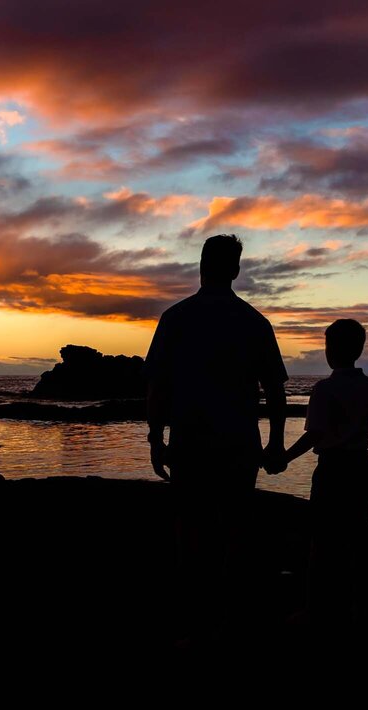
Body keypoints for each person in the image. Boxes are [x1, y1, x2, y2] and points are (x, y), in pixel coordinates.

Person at [142, 233, 288, 640]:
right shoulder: (254, 322)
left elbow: (157, 387)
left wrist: (156, 437)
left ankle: (195, 607)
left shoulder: (176, 318)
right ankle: (231, 611)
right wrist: (275, 442)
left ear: (201, 266)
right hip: (239, 442)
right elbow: (275, 391)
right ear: (236, 270)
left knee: (191, 525)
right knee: (237, 526)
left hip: (190, 439)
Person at [268, 319, 368, 624]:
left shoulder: (324, 389)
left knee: (322, 540)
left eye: (328, 344)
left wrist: (285, 458)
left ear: (333, 350)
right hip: (360, 466)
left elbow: (314, 435)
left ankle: (315, 606)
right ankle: (358, 604)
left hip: (331, 468)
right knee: (358, 538)